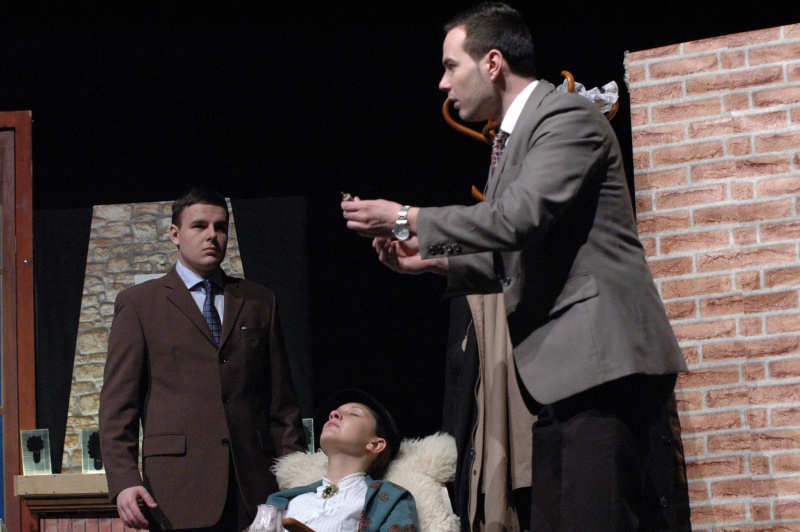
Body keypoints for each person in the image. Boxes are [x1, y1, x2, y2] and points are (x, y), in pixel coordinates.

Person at [341, 3, 689, 530]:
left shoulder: (566, 117)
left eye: (451, 66)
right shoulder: (513, 138)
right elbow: (516, 252)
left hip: (601, 365)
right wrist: (430, 263)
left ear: (493, 62)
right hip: (561, 375)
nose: (443, 84)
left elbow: (517, 219)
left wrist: (407, 217)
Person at [99, 187, 306, 530]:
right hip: (177, 489)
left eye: (220, 227)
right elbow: (118, 406)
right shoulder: (140, 304)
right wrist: (123, 478)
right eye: (199, 226)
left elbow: (282, 404)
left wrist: (297, 481)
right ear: (175, 234)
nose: (212, 235)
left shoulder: (258, 301)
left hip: (254, 486)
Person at [248, 389, 419, 532]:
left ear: (375, 444)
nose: (333, 414)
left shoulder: (390, 500)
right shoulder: (286, 501)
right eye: (334, 412)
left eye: (353, 413)